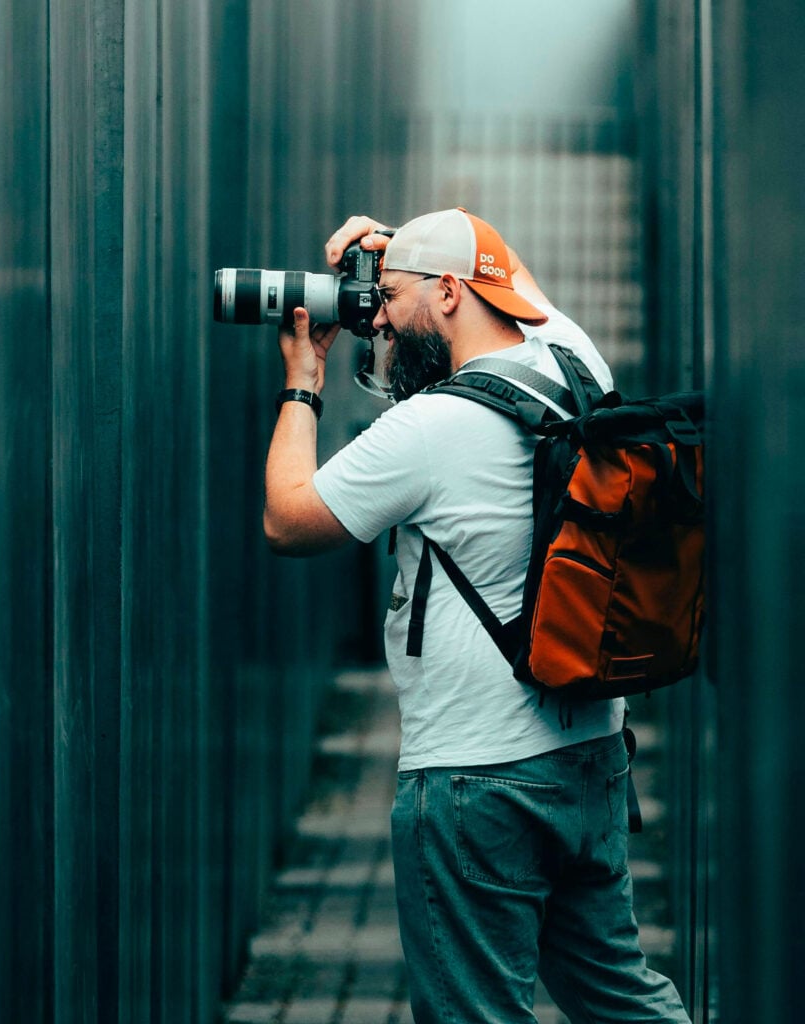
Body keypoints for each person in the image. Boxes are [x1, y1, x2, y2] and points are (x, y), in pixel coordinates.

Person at [263, 208, 692, 1023]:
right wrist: (412, 246)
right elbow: (516, 282)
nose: (377, 318)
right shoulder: (576, 363)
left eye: (388, 297)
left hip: (474, 783)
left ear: (452, 293)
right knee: (625, 1004)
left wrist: (302, 380)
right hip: (590, 759)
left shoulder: (426, 429)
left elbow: (288, 521)